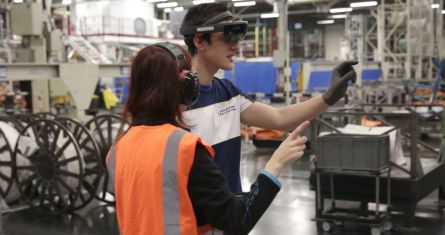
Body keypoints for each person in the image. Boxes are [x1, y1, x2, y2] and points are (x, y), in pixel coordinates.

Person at [106, 42, 310, 235]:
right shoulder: (185, 148)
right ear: (186, 87)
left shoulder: (117, 150)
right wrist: (276, 162)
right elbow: (237, 220)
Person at [180, 2, 358, 193]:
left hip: (231, 213)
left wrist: (329, 96)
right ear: (199, 41)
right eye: (227, 35)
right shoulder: (176, 102)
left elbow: (279, 118)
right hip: (195, 220)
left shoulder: (227, 92)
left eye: (237, 35)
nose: (236, 45)